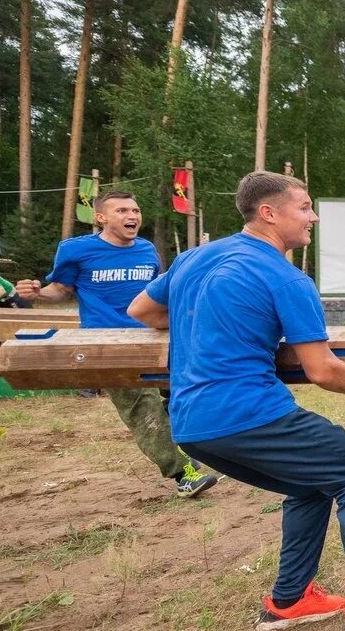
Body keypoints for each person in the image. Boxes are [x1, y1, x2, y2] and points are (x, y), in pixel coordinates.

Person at [127, 171, 345, 631]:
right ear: (268, 213)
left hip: (191, 424)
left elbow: (141, 311)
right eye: (304, 207)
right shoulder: (286, 277)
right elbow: (322, 369)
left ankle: (289, 600)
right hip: (247, 413)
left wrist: (212, 321)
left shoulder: (193, 259)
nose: (313, 218)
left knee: (310, 485)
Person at [15, 192, 216, 498]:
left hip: (152, 337)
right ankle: (183, 474)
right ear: (101, 218)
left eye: (135, 209)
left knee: (188, 391)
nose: (131, 215)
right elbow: (60, 290)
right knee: (141, 406)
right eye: (121, 210)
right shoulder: (77, 249)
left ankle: (183, 441)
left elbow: (155, 291)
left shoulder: (147, 250)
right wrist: (37, 294)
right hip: (106, 342)